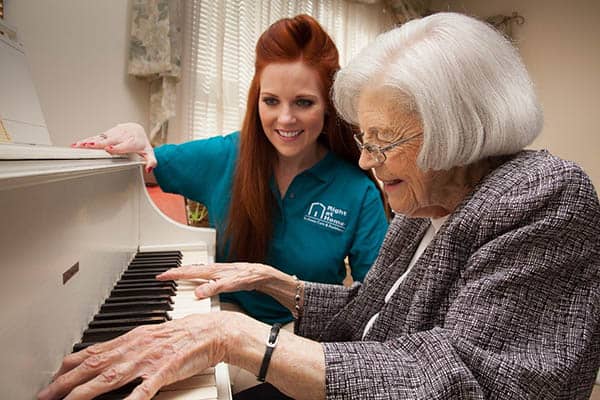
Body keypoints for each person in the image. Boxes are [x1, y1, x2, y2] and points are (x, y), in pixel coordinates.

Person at [38, 12, 600, 400]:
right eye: (366, 139)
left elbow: (468, 376)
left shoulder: (544, 197)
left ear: (456, 132)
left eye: (382, 140)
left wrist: (242, 339)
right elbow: (368, 316)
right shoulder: (424, 205)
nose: (365, 162)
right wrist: (273, 281)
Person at [71, 14, 388, 327]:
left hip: (301, 338)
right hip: (224, 320)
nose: (285, 119)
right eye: (271, 101)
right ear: (257, 100)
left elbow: (376, 305)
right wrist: (136, 135)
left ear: (329, 105)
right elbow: (145, 165)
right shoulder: (226, 156)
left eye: (303, 102)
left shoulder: (358, 193)